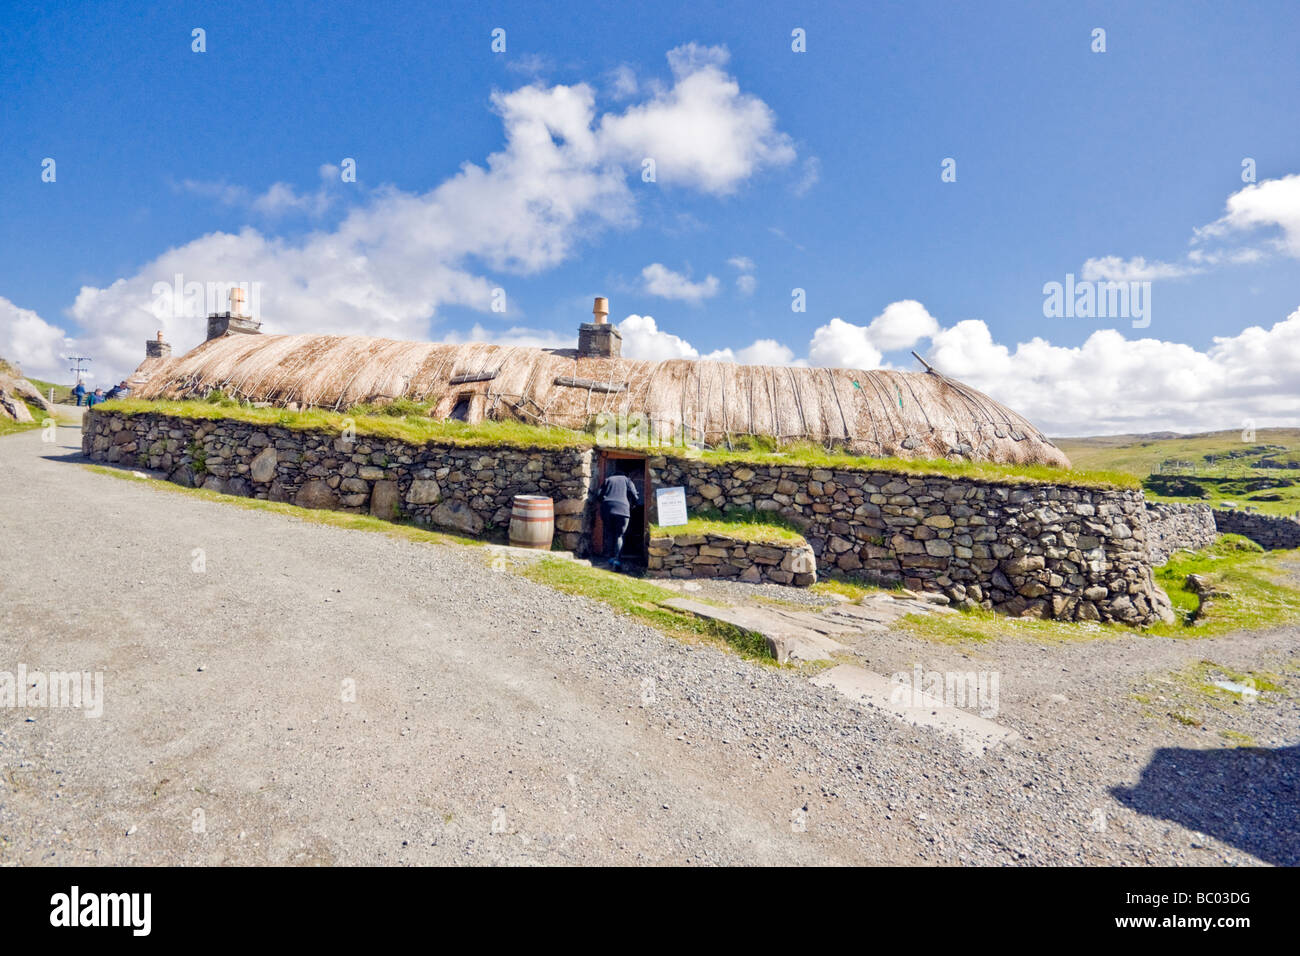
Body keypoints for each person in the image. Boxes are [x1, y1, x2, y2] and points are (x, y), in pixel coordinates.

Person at [598, 470, 640, 570]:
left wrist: (604, 504)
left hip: (607, 508)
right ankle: (617, 560)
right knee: (619, 535)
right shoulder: (627, 480)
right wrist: (633, 505)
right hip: (622, 509)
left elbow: (599, 495)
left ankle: (608, 558)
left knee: (609, 533)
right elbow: (635, 495)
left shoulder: (608, 480)